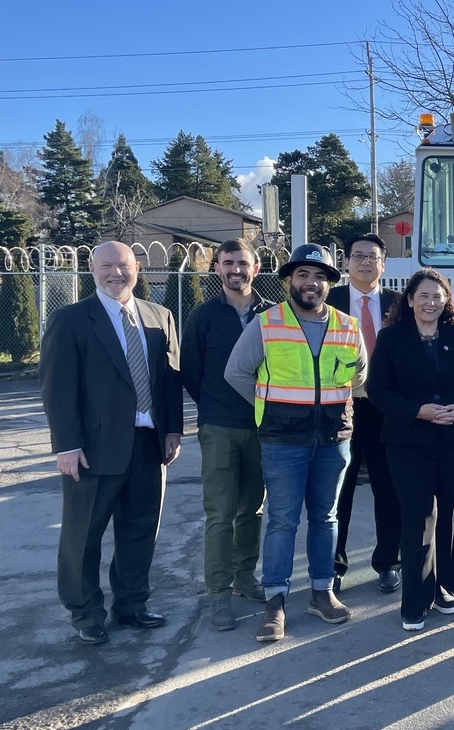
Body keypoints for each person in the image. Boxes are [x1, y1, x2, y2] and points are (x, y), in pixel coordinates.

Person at [39, 240, 183, 645]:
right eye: (107, 266)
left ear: (137, 267)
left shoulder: (160, 316)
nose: (115, 273)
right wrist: (66, 445)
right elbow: (57, 387)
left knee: (139, 531)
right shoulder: (71, 320)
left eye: (123, 265)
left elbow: (170, 379)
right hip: (92, 448)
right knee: (83, 535)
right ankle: (86, 613)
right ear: (92, 268)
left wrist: (172, 429)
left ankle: (132, 603)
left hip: (148, 443)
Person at [225, 243, 366, 642]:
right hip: (282, 440)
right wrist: (270, 404)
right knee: (283, 519)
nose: (312, 283)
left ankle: (322, 591)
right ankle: (275, 601)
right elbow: (236, 373)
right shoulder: (267, 323)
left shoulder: (347, 326)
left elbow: (358, 377)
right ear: (289, 280)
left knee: (326, 517)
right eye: (303, 275)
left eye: (320, 276)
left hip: (333, 438)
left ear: (328, 284)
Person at [369, 268, 454, 631]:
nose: (431, 302)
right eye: (423, 296)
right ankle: (415, 601)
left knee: (452, 515)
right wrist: (417, 411)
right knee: (419, 516)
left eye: (438, 297)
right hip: (409, 442)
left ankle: (446, 589)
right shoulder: (391, 339)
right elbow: (379, 390)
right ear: (409, 299)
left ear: (446, 302)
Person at [180, 238, 274, 631]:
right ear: (217, 268)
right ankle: (218, 594)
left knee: (252, 509)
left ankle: (243, 578)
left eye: (243, 263)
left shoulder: (272, 315)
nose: (236, 269)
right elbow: (191, 372)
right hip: (219, 427)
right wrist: (216, 408)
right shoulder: (203, 317)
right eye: (228, 262)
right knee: (220, 513)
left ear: (256, 268)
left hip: (264, 428)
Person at [329, 232, 402, 594]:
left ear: (383, 264)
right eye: (358, 256)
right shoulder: (329, 300)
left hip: (385, 409)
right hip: (340, 407)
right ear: (346, 262)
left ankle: (388, 562)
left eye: (372, 257)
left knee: (388, 489)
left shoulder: (398, 304)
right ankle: (333, 565)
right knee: (338, 490)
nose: (365, 262)